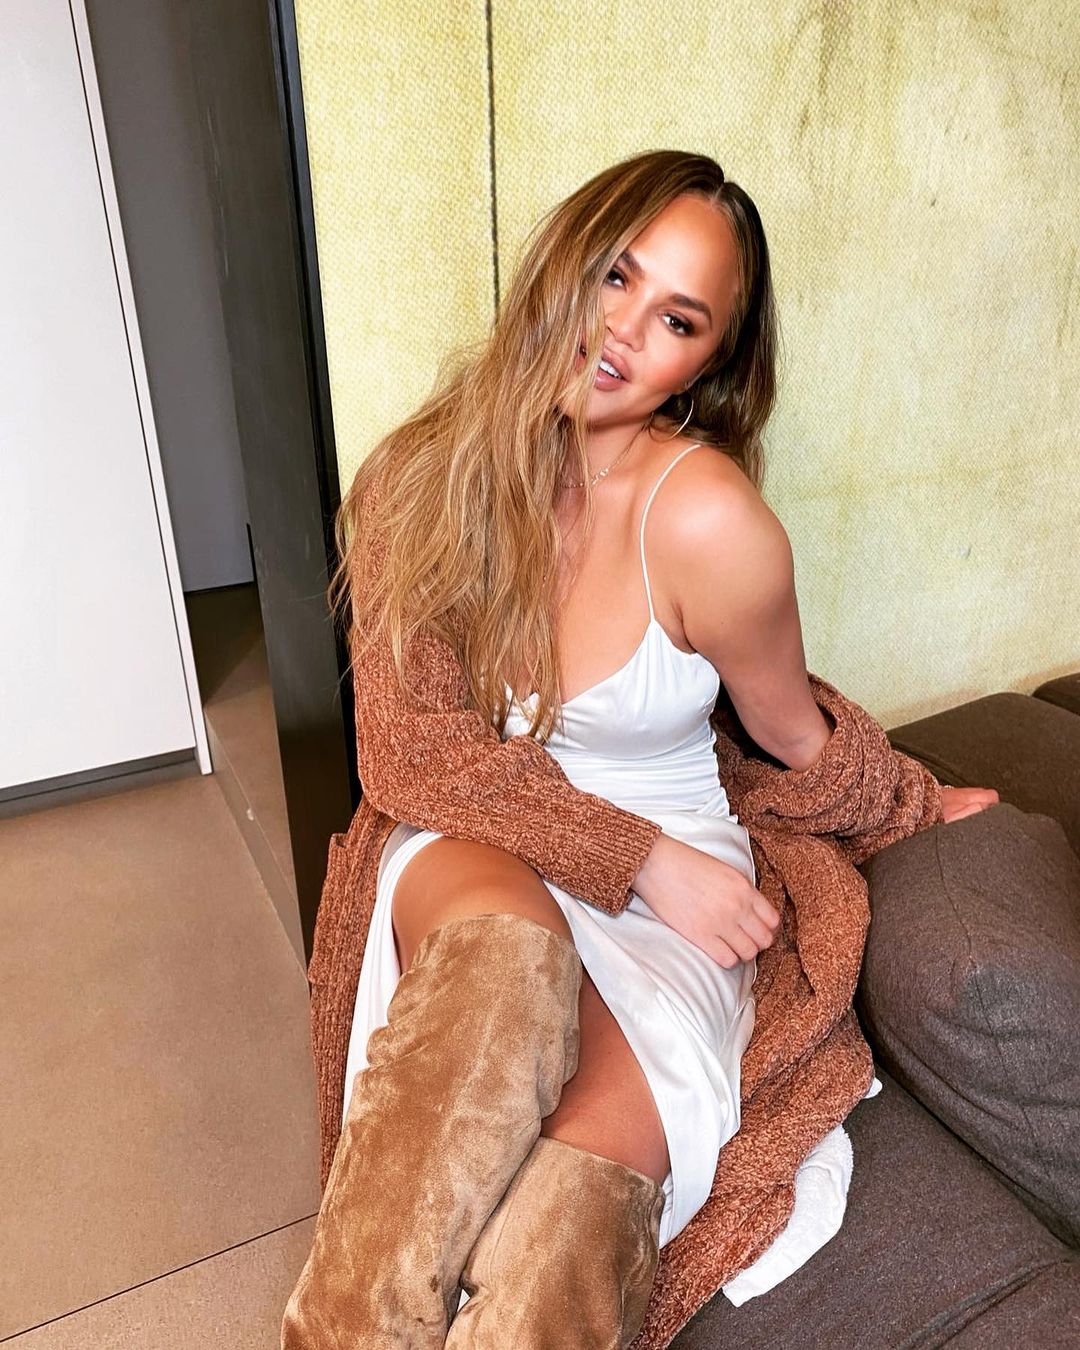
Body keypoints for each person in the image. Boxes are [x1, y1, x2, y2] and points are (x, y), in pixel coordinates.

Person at [281, 149, 998, 1348]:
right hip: (479, 841)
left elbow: (791, 731)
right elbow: (412, 757)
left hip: (670, 891)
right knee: (505, 960)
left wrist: (915, 806)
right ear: (565, 256)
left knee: (573, 1208)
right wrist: (643, 861)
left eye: (677, 318)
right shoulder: (418, 477)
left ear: (703, 366)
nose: (624, 329)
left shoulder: (707, 518)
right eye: (617, 275)